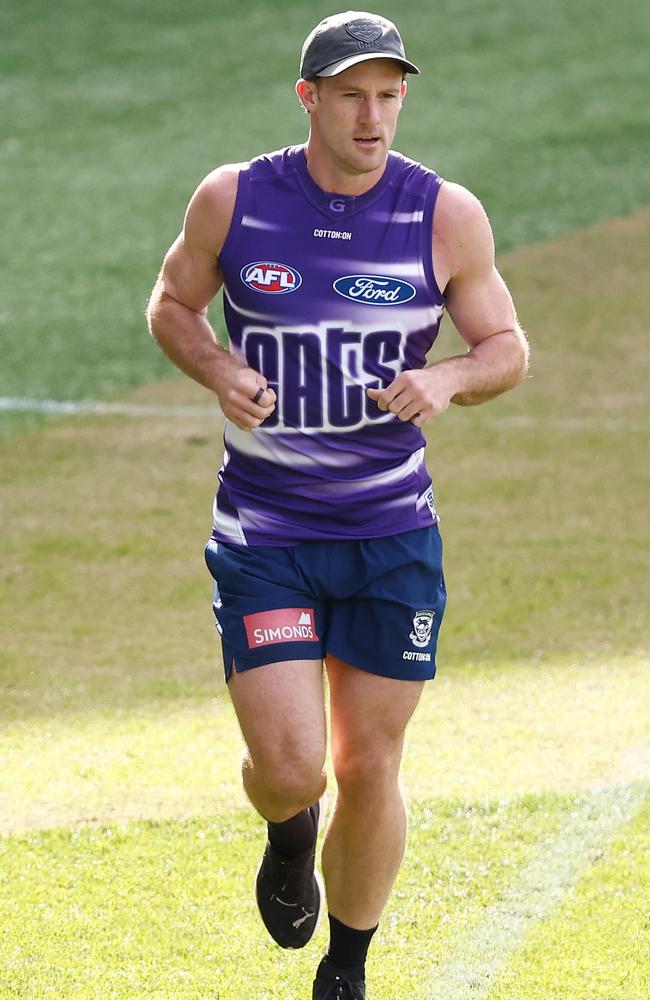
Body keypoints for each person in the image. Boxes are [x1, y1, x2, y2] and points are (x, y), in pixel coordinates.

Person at [147, 9, 529, 998]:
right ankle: (285, 831)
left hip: (391, 536)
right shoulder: (232, 198)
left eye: (389, 95)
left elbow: (504, 348)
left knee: (370, 765)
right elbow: (171, 304)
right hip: (265, 532)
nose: (373, 116)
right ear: (308, 98)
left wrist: (445, 381)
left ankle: (346, 968)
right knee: (290, 768)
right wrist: (217, 366)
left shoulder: (442, 214)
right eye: (352, 95)